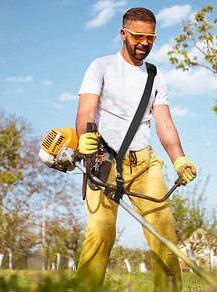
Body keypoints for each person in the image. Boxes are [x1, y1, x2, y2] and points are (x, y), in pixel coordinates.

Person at [73, 7, 196, 291]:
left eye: (150, 37)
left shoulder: (155, 77)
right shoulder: (101, 67)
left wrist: (179, 159)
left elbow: (164, 123)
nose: (144, 43)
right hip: (103, 160)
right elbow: (85, 112)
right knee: (101, 232)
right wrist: (84, 138)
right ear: (123, 34)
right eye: (138, 36)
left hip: (144, 163)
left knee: (163, 232)